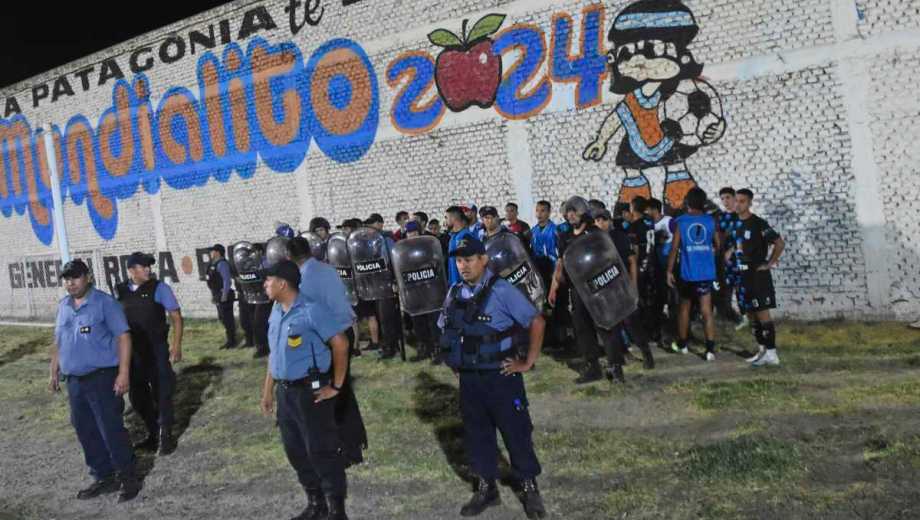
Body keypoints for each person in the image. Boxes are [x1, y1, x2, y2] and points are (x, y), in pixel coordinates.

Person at [438, 237, 547, 519]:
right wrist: (456, 361)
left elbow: (536, 321)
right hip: (470, 380)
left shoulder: (502, 290)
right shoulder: (454, 292)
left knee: (516, 432)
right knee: (477, 435)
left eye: (469, 259)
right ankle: (486, 488)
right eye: (459, 260)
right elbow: (447, 329)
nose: (463, 266)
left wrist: (527, 362)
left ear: (483, 260)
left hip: (501, 377)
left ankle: (529, 487)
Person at [259, 260, 352, 520]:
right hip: (285, 393)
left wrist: (336, 385)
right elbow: (274, 354)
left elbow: (341, 344)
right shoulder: (276, 311)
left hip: (310, 393)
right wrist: (268, 390)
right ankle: (316, 503)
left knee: (321, 451)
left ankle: (336, 510)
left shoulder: (312, 310)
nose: (264, 284)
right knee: (295, 451)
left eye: (268, 279)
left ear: (282, 284)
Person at [49, 260, 141, 502]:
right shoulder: (64, 306)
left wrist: (123, 373)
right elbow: (58, 340)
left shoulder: (104, 303)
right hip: (75, 381)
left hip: (102, 378)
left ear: (87, 277)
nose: (71, 283)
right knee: (85, 429)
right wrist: (54, 369)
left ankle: (128, 477)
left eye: (75, 277)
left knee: (110, 429)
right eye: (67, 278)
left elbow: (123, 338)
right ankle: (104, 476)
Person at [288, 237, 368, 465]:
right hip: (345, 330)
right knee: (342, 388)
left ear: (290, 257)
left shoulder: (302, 279)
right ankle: (354, 443)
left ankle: (346, 447)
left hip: (330, 337)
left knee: (332, 392)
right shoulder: (328, 269)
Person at [115, 252, 183, 456]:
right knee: (138, 397)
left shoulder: (160, 288)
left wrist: (176, 345)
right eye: (143, 266)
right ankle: (153, 432)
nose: (148, 270)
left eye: (149, 266)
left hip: (156, 349)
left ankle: (166, 435)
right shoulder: (120, 290)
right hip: (133, 352)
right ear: (131, 270)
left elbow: (176, 317)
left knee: (162, 392)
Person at [729, 188, 786, 367]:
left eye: (742, 201)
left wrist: (769, 263)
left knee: (762, 314)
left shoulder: (758, 223)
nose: (738, 204)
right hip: (742, 276)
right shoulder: (735, 224)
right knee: (752, 315)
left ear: (750, 203)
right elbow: (739, 245)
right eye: (736, 201)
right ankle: (762, 351)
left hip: (757, 276)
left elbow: (779, 243)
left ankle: (772, 354)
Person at [594, 209, 656, 370]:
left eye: (603, 220)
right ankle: (618, 359)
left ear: (610, 221)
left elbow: (632, 260)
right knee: (612, 327)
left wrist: (633, 285)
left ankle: (646, 353)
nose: (601, 223)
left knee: (631, 324)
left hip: (622, 286)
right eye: (597, 220)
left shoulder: (619, 237)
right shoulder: (593, 241)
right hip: (605, 289)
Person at [667, 187, 721, 361]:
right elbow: (718, 244)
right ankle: (710, 350)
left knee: (684, 308)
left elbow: (674, 248)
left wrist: (669, 271)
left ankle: (683, 345)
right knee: (706, 310)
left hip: (687, 273)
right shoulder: (710, 221)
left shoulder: (681, 221)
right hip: (706, 272)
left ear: (687, 202)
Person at [530, 200, 568, 349]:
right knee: (543, 306)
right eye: (537, 210)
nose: (539, 214)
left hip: (554, 273)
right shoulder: (533, 231)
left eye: (543, 211)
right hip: (540, 274)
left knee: (559, 306)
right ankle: (548, 338)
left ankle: (563, 340)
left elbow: (559, 256)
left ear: (549, 212)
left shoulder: (555, 231)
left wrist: (557, 275)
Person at [715, 187, 744, 326]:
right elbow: (718, 238)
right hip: (724, 261)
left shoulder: (741, 216)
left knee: (741, 289)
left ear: (734, 198)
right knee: (726, 289)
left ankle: (745, 317)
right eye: (722, 199)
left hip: (739, 259)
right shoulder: (720, 217)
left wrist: (731, 250)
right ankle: (729, 318)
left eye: (728, 197)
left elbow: (745, 238)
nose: (725, 201)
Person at [207, 244, 237, 349]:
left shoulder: (222, 264)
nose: (210, 253)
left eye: (212, 251)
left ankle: (232, 341)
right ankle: (230, 338)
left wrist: (224, 295)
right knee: (222, 317)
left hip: (224, 294)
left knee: (227, 319)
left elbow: (226, 280)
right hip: (217, 294)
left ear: (217, 253)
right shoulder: (213, 264)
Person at [446, 206, 475, 286]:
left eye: (447, 218)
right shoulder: (453, 236)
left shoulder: (464, 236)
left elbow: (466, 262)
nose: (445, 221)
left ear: (453, 218)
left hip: (463, 285)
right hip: (455, 284)